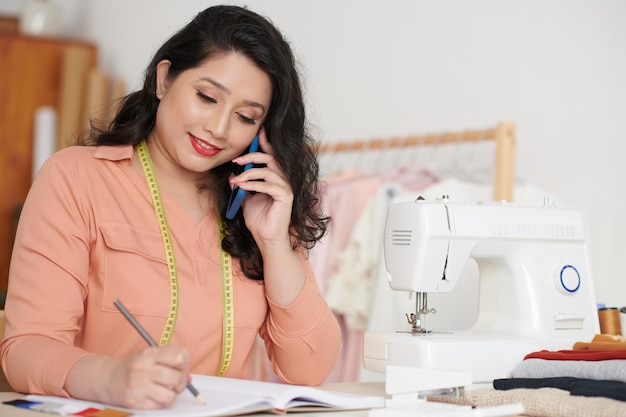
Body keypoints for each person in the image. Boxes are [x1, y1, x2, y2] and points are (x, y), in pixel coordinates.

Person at [0, 5, 342, 410]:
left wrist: (273, 244)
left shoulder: (257, 208)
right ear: (164, 79)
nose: (218, 128)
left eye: (245, 117)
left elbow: (309, 369)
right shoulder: (76, 178)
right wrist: (111, 379)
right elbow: (25, 350)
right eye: (206, 97)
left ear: (261, 132)